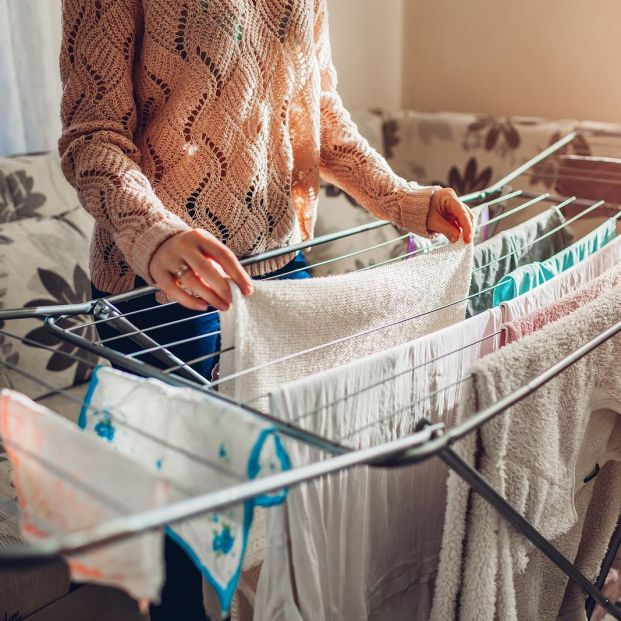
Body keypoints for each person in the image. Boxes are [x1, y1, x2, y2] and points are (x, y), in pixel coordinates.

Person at [58, 0, 474, 618]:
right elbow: (92, 136)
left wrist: (404, 200)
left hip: (283, 280)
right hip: (167, 291)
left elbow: (319, 116)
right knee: (189, 554)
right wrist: (154, 234)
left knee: (289, 517)